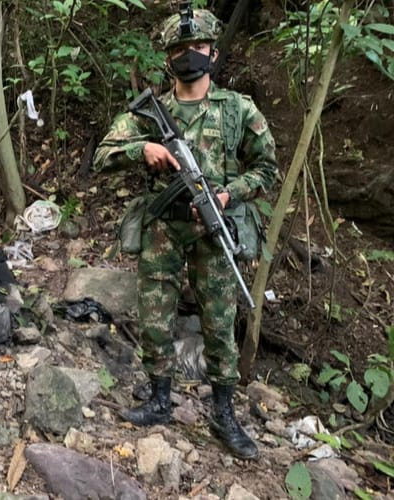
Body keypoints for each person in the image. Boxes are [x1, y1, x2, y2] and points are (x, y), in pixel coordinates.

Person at [93, 7, 278, 460]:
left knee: (219, 322)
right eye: (179, 48)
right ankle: (159, 399)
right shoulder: (154, 111)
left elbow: (266, 169)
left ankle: (223, 412)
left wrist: (228, 195)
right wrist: (145, 149)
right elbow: (103, 156)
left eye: (197, 47)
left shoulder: (238, 110)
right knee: (154, 314)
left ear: (213, 52)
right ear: (168, 57)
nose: (188, 55)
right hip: (163, 230)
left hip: (213, 231)